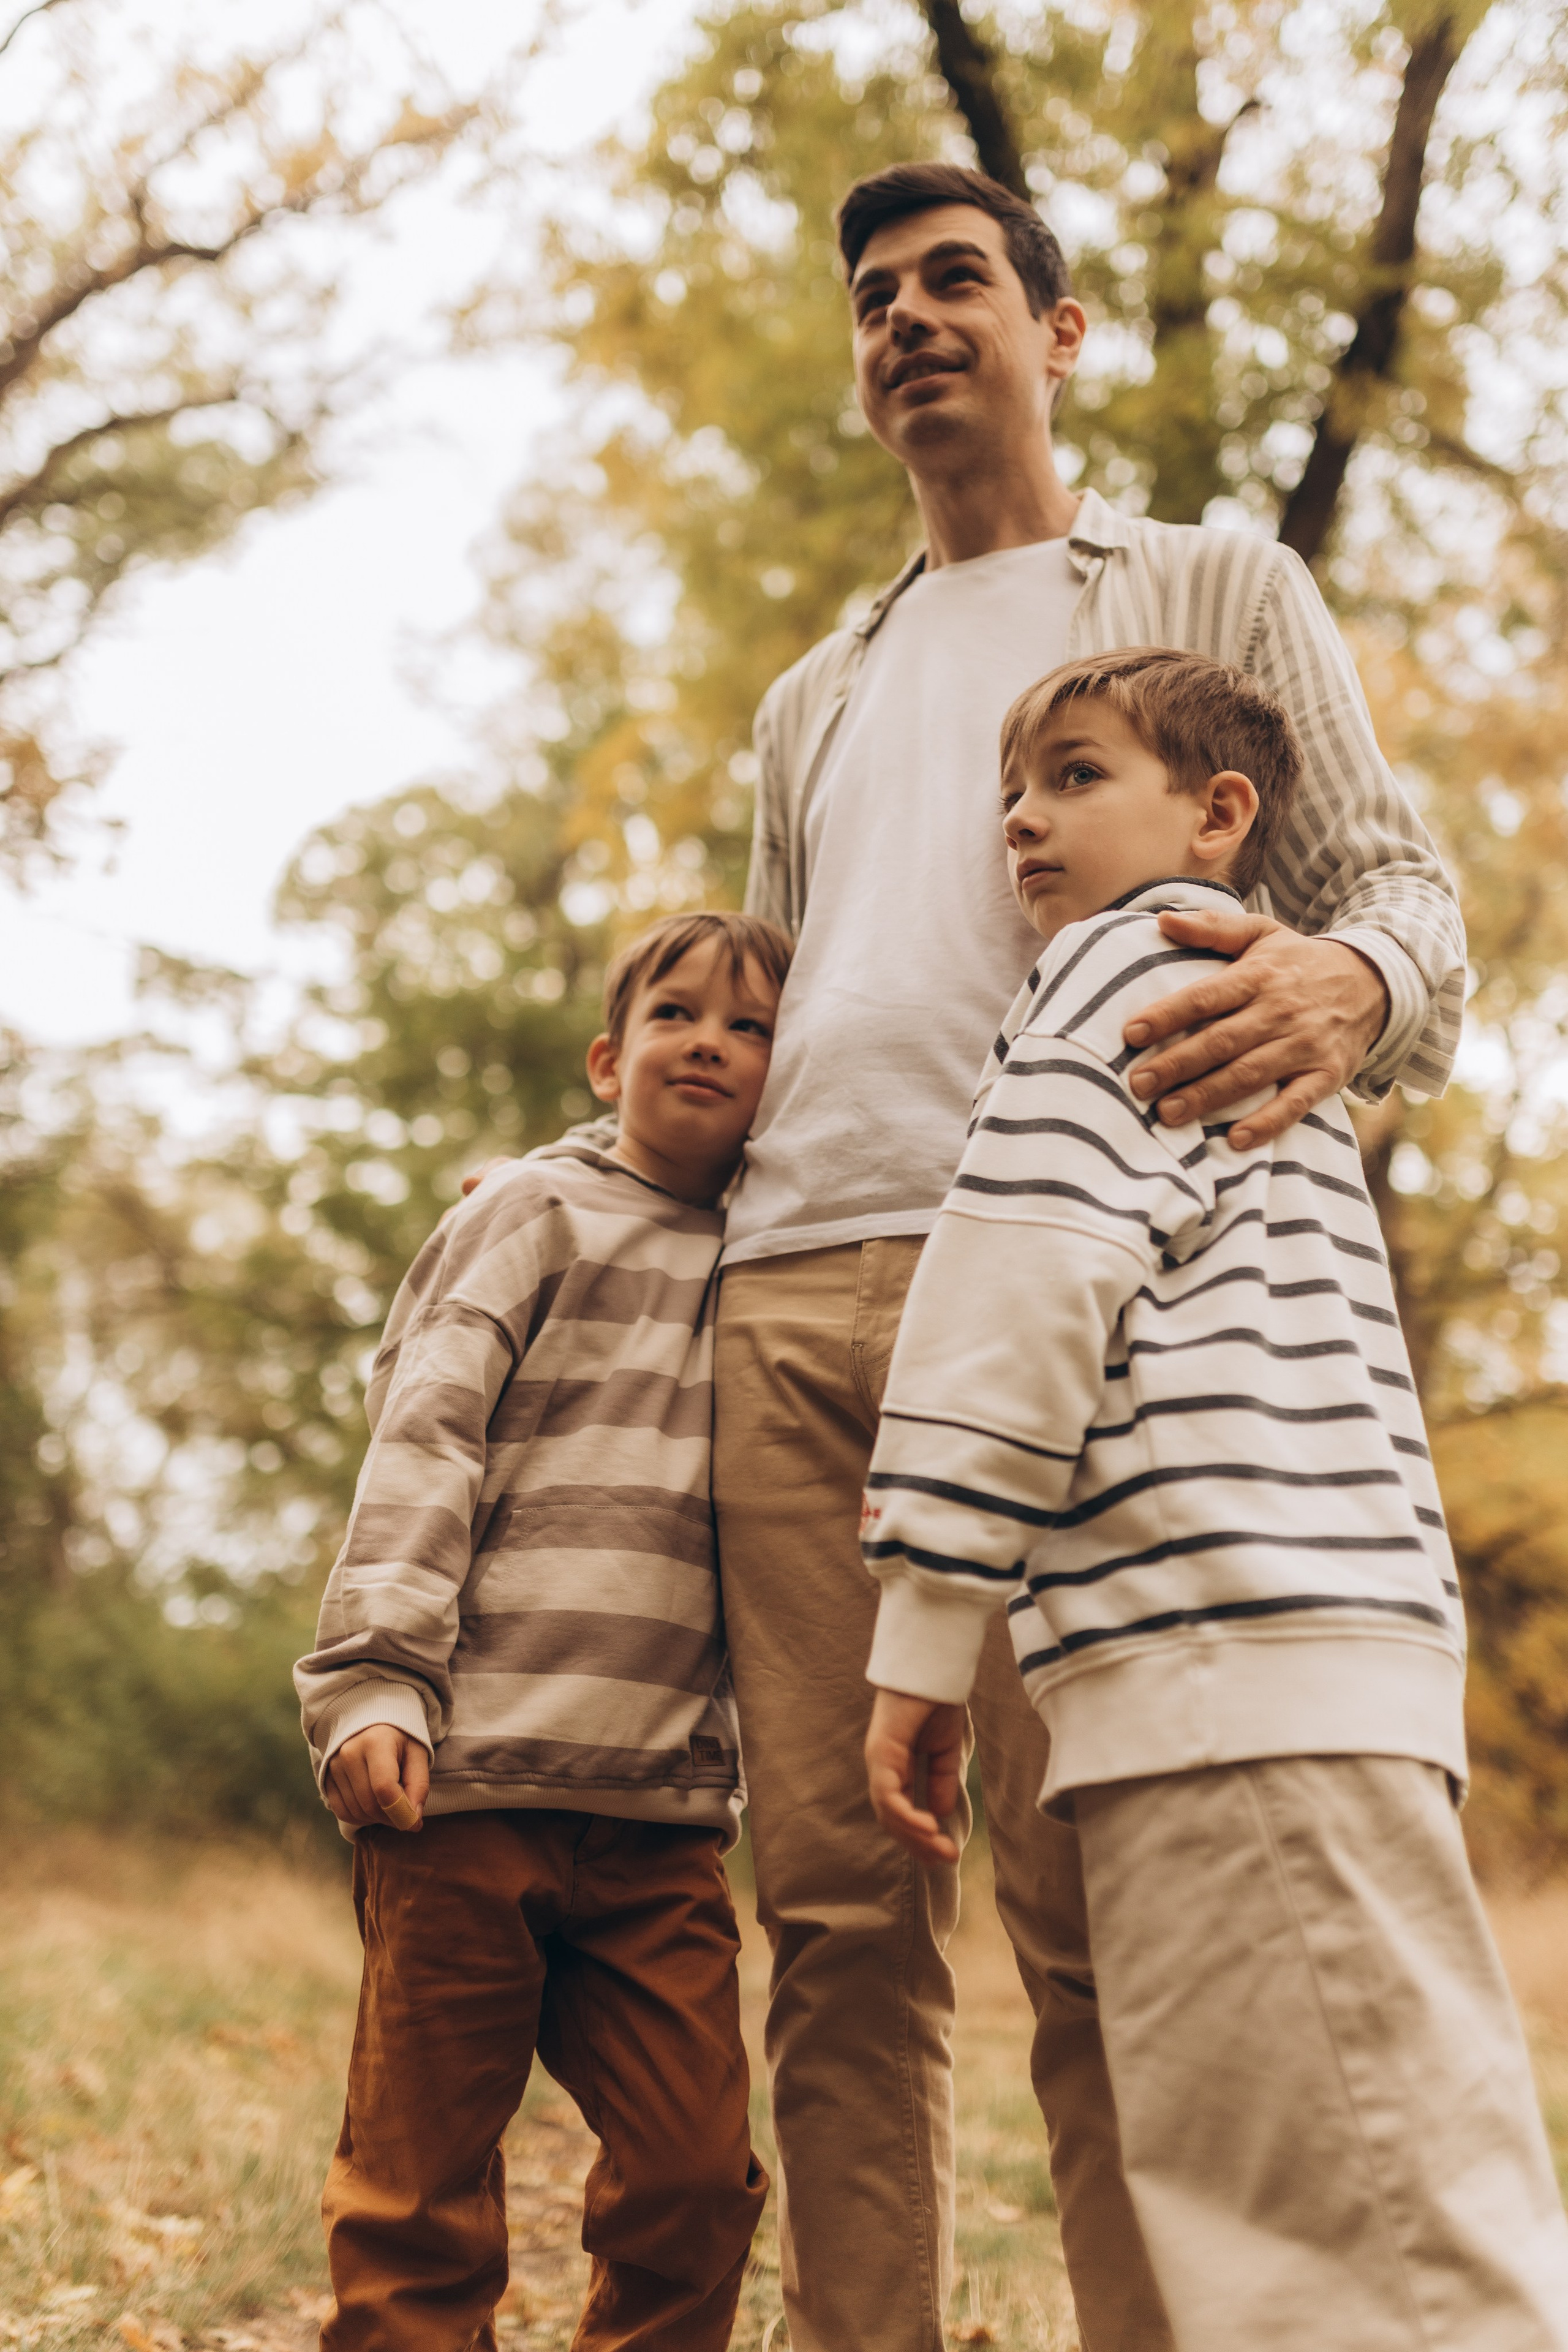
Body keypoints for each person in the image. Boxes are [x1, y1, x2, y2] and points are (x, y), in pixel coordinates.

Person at [714, 161, 1468, 2350]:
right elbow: (764, 996)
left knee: (1102, 1908)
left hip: (1078, 1296)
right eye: (874, 294)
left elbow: (1402, 891)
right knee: (836, 1922)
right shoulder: (815, 694)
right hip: (791, 1301)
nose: (907, 317)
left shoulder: (1214, 584)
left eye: (955, 278)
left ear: (1056, 333)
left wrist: (1354, 985)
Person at [860, 644, 1568, 2351]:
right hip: (1279, 1676)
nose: (1021, 818)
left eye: (1076, 775)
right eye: (1011, 790)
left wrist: (925, 1633)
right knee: (1316, 2212)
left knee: (1357, 2249)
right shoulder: (1249, 1018)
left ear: (1218, 813)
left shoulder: (1131, 972)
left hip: (1226, 1668)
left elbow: (1019, 1289)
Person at [294, 910, 790, 2352]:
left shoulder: (771, 1256)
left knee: (694, 2178)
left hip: (657, 1819)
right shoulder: (529, 1213)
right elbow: (424, 1431)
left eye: (751, 1027)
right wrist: (375, 1681)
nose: (709, 1042)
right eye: (674, 1014)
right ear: (605, 1061)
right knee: (419, 2187)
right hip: (465, 1790)